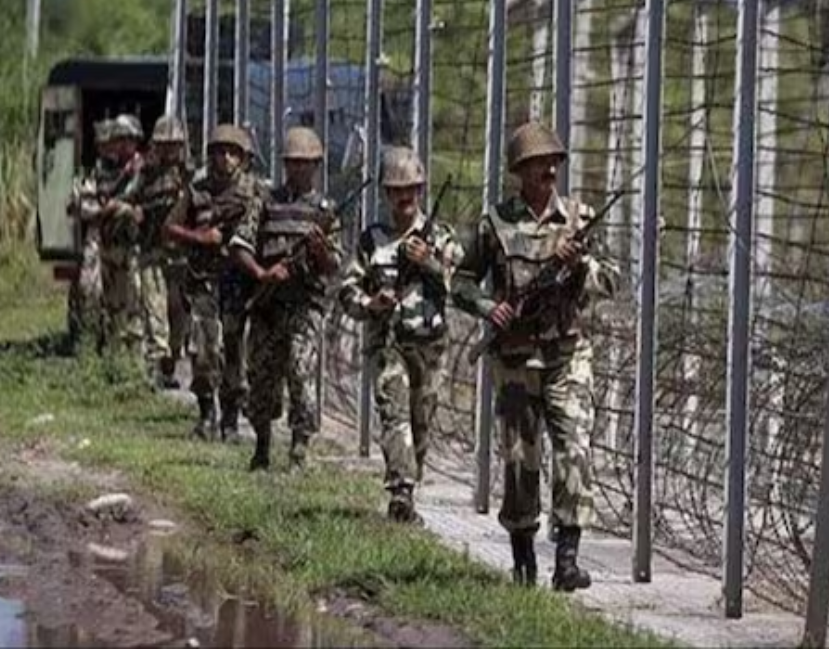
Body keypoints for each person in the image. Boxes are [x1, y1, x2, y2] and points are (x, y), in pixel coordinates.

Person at [451, 121, 620, 591]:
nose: (549, 170)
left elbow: (613, 282)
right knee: (521, 460)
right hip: (516, 360)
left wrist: (580, 265)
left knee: (575, 450)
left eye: (553, 163)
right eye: (538, 164)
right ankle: (523, 557)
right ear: (520, 171)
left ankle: (567, 559)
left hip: (568, 354)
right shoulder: (496, 223)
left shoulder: (579, 221)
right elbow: (460, 283)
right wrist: (491, 307)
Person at [339, 147, 462, 523]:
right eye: (396, 190)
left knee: (421, 423)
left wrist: (427, 261)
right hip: (388, 343)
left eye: (410, 189)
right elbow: (347, 289)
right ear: (386, 194)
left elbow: (460, 287)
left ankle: (409, 487)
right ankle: (400, 494)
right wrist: (370, 302)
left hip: (429, 345)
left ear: (421, 190)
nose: (403, 197)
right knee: (395, 416)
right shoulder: (372, 240)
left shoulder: (441, 237)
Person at [231, 127, 343, 472]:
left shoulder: (325, 211)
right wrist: (263, 275)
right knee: (262, 377)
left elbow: (334, 266)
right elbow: (240, 246)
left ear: (317, 166)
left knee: (301, 373)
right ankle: (262, 448)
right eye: (292, 163)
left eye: (305, 164)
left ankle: (299, 451)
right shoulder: (266, 202)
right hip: (267, 306)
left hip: (304, 306)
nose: (298, 170)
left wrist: (320, 250)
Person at [164, 124, 265, 440]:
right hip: (204, 282)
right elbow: (169, 227)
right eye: (218, 151)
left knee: (234, 350)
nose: (224, 158)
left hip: (239, 283)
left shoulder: (255, 193)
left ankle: (231, 420)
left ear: (244, 158)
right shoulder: (198, 191)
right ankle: (207, 414)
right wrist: (200, 237)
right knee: (205, 351)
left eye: (231, 152)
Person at [127, 114, 189, 388]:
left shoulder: (190, 175)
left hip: (183, 259)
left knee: (179, 320)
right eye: (164, 145)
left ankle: (169, 366)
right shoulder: (146, 174)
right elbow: (128, 199)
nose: (168, 150)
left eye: (173, 145)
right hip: (153, 253)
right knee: (155, 313)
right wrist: (135, 212)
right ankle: (156, 371)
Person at [94, 113, 147, 357]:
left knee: (134, 305)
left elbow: (143, 203)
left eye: (127, 140)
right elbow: (98, 200)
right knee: (111, 305)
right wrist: (116, 206)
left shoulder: (143, 169)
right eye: (118, 140)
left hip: (131, 246)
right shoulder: (105, 169)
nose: (122, 145)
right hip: (109, 246)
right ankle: (114, 358)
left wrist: (120, 206)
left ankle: (135, 360)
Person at [67, 119, 114, 348]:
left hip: (118, 238)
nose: (106, 147)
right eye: (102, 143)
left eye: (109, 142)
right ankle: (87, 338)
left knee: (119, 294)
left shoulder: (128, 171)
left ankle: (111, 340)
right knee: (87, 288)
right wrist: (101, 211)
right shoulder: (89, 174)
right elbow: (76, 205)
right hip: (95, 238)